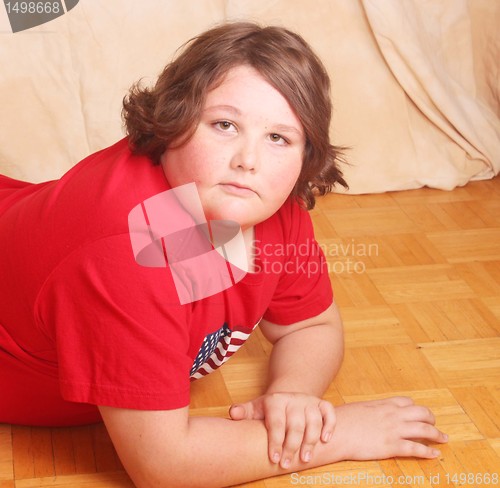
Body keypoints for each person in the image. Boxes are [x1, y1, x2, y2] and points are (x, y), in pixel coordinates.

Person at [0, 22, 447, 487]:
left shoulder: (261, 200)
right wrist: (340, 435)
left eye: (279, 137)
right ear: (173, 120)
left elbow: (312, 324)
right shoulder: (129, 249)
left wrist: (293, 397)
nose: (248, 160)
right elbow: (164, 466)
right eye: (224, 125)